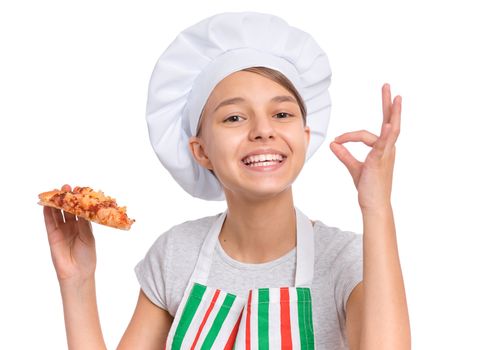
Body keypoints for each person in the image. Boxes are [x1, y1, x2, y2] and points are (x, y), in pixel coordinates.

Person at [42, 11, 410, 349]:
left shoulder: (346, 260)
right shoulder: (175, 255)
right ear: (201, 151)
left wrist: (376, 206)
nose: (264, 130)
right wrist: (77, 283)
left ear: (305, 134)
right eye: (234, 118)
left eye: (282, 113)